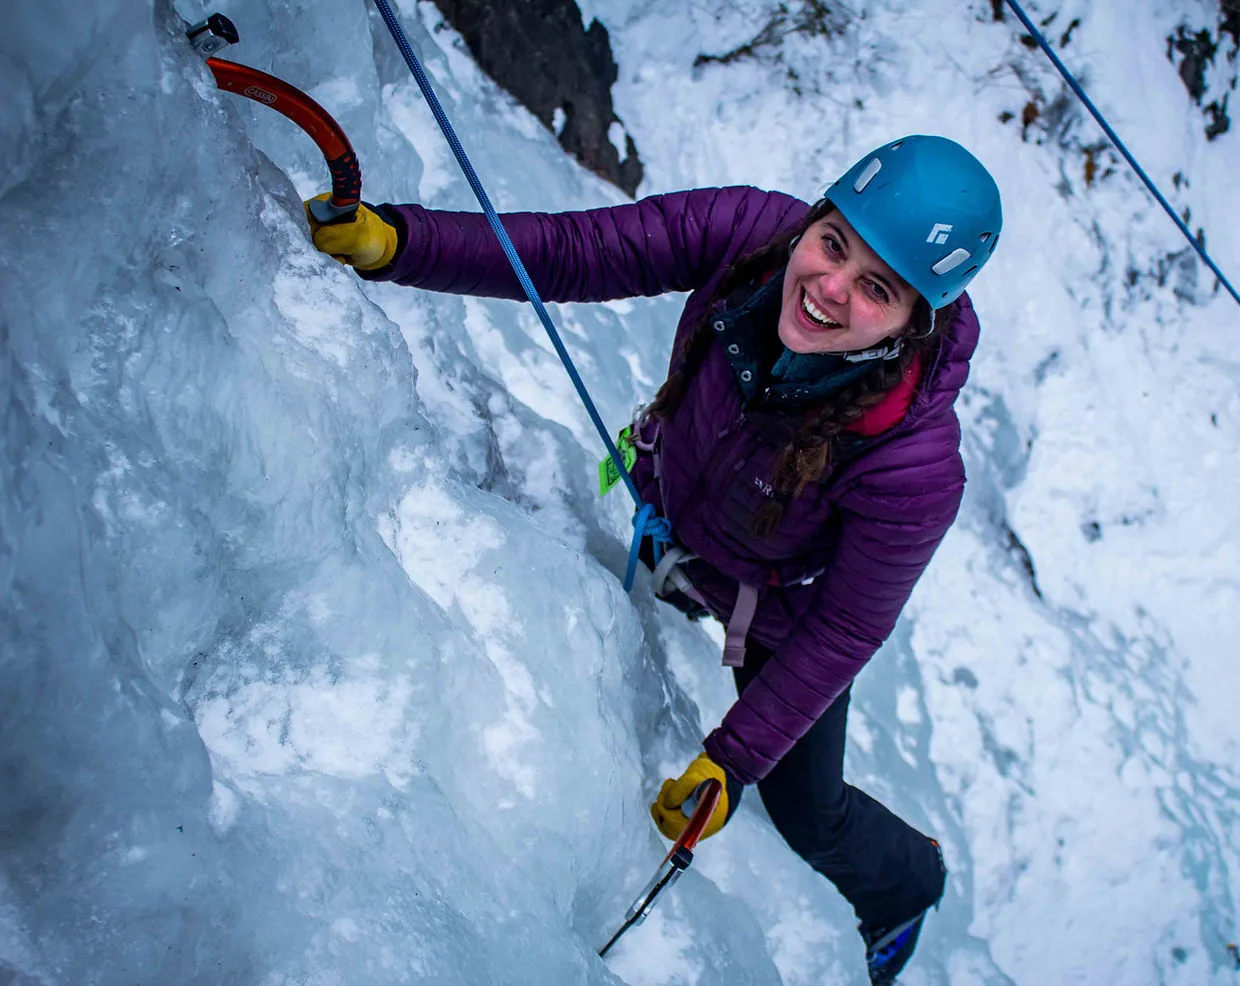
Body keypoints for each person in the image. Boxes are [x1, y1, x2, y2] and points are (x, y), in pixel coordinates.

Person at [306, 134, 1002, 984]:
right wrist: (404, 242)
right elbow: (575, 253)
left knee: (807, 811)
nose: (829, 287)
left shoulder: (913, 466)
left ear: (911, 324)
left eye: (876, 289)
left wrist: (733, 759)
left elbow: (848, 625)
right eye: (833, 244)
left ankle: (906, 882)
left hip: (780, 613)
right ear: (816, 217)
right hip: (677, 518)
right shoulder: (748, 237)